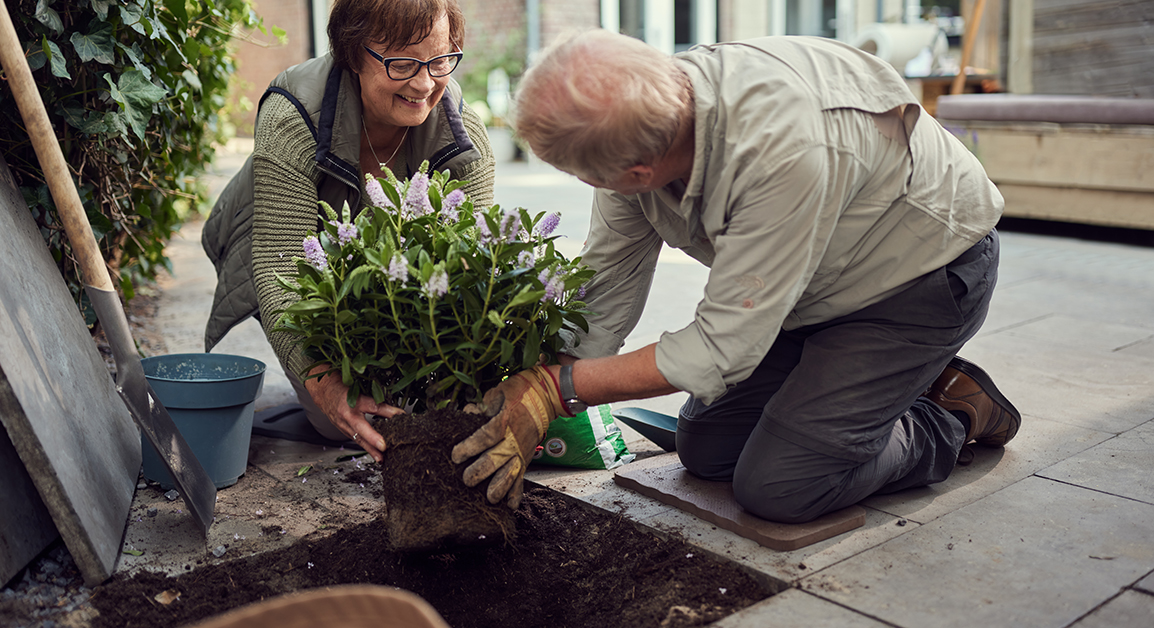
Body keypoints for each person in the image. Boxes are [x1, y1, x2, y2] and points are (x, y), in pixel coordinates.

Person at [450, 29, 1020, 521]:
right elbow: (605, 289)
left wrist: (557, 390)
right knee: (706, 449)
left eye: (580, 174)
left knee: (780, 486)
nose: (583, 185)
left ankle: (948, 411)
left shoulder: (783, 147)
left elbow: (723, 348)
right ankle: (863, 389)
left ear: (640, 170)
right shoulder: (640, 120)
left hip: (918, 282)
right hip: (808, 290)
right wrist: (527, 383)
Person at [202, 0, 495, 462]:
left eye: (440, 61)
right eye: (402, 64)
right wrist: (324, 381)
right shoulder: (293, 116)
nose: (424, 83)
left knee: (425, 399)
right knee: (336, 422)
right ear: (353, 54)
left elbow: (476, 264)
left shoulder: (462, 136)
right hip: (283, 256)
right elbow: (281, 260)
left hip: (382, 274)